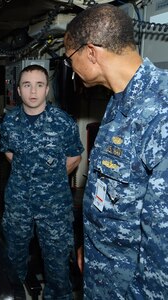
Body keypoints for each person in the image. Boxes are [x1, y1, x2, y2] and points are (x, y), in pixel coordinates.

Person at [64, 4, 168, 300]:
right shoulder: (120, 100)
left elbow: (163, 252)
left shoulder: (160, 112)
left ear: (92, 53)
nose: (71, 68)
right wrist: (91, 244)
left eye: (70, 58)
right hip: (103, 273)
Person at [0, 64, 84, 300]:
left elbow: (75, 156)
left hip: (54, 205)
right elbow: (9, 152)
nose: (33, 91)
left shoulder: (63, 122)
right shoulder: (9, 122)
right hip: (18, 202)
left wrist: (50, 177)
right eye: (27, 85)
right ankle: (13, 295)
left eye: (39, 85)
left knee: (57, 264)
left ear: (47, 89)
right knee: (13, 259)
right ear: (18, 90)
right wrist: (27, 173)